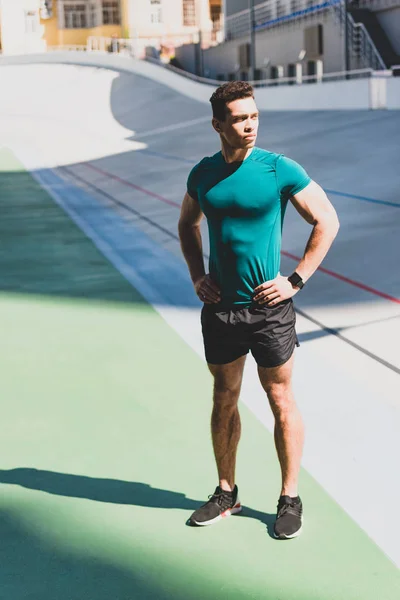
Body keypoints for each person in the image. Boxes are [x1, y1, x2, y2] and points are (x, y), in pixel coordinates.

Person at [178, 81, 339, 539]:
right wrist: (196, 275)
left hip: (268, 310)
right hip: (221, 311)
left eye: (253, 117)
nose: (249, 126)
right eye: (238, 119)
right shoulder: (203, 173)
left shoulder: (278, 169)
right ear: (217, 124)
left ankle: (289, 497)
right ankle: (226, 491)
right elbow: (187, 224)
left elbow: (327, 219)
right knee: (223, 398)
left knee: (280, 399)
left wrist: (295, 280)